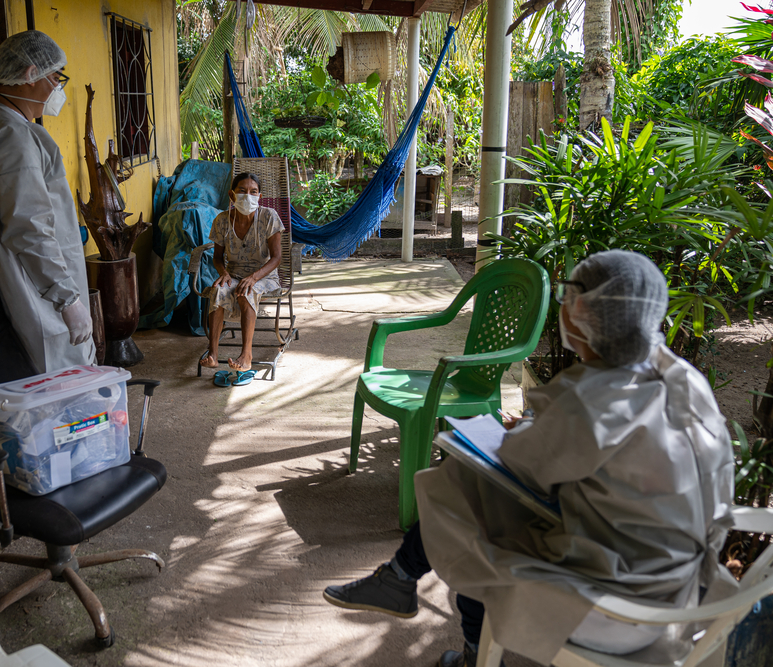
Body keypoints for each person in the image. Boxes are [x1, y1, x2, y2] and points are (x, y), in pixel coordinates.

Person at [323, 250, 737, 666]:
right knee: (474, 492)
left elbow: (519, 461)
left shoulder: (589, 397)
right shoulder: (682, 378)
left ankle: (436, 615)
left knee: (470, 502)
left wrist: (523, 430)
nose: (562, 306)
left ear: (584, 311)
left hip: (620, 606)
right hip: (686, 586)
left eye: (567, 296)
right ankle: (403, 581)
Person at [0, 30, 95, 374]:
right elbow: (29, 227)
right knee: (57, 382)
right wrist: (67, 299)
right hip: (34, 287)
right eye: (55, 77)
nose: (57, 88)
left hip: (4, 278)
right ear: (30, 75)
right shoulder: (15, 138)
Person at [199, 173, 284, 385]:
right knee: (218, 291)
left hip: (264, 274)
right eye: (242, 191)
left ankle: (246, 355)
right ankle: (213, 354)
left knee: (247, 291)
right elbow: (217, 258)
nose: (248, 196)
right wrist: (224, 274)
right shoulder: (222, 221)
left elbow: (277, 258)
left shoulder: (269, 217)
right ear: (231, 195)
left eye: (253, 192)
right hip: (234, 273)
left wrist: (254, 277)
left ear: (260, 196)